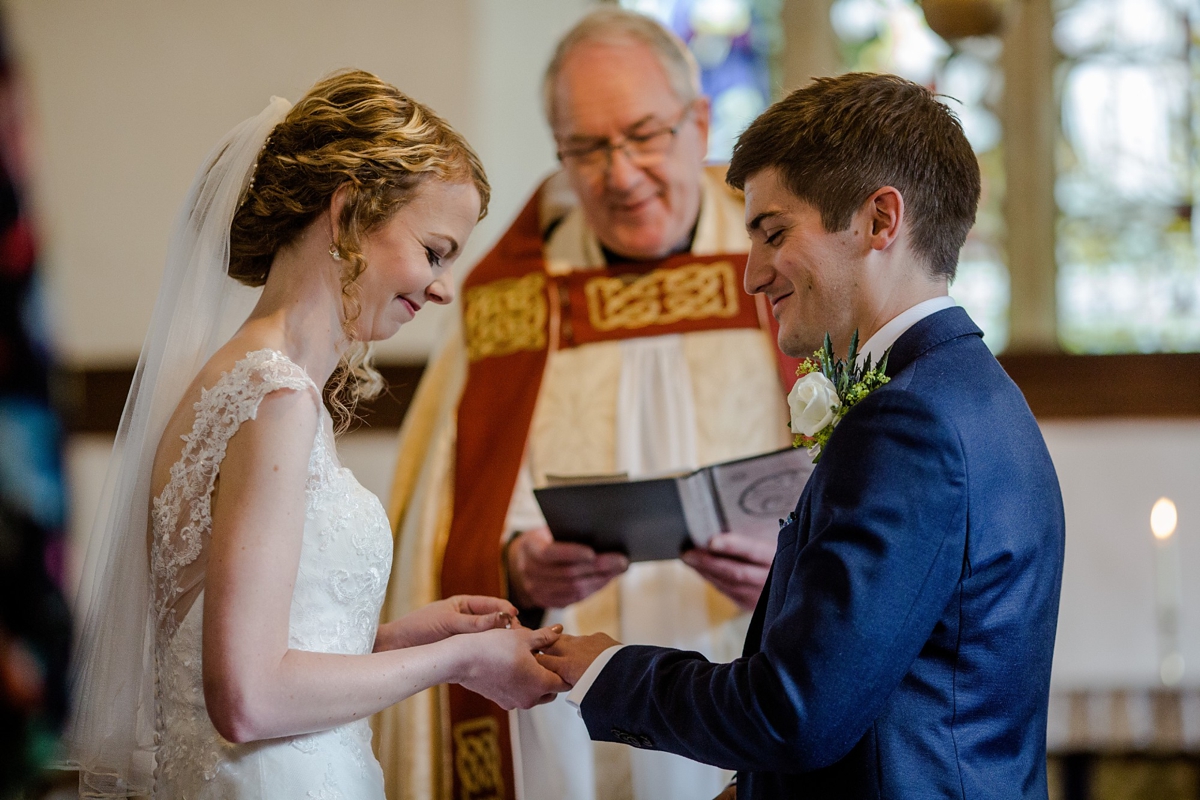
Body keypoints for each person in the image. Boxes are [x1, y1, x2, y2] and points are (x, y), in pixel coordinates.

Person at [540, 73, 1066, 799]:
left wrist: (604, 670)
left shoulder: (909, 423)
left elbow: (794, 712)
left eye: (773, 233)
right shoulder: (974, 394)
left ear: (881, 221)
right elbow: (877, 692)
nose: (753, 275)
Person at [65, 70, 568, 800]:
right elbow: (246, 699)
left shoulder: (239, 381)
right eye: (435, 250)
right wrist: (464, 664)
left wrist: (409, 637)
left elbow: (239, 644)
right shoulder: (275, 398)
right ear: (349, 212)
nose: (444, 288)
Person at [376, 9, 802, 800]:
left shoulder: (781, 268)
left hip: (747, 669)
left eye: (644, 135)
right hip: (562, 705)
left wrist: (796, 577)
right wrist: (518, 568)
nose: (621, 174)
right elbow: (449, 521)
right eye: (587, 148)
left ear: (700, 121)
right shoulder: (513, 294)